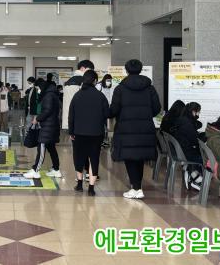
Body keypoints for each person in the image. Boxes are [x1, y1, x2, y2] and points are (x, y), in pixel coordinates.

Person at [110, 59, 161, 199]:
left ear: (126, 70)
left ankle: (136, 188)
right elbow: (157, 108)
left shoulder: (120, 89)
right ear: (140, 69)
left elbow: (114, 110)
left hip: (126, 129)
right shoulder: (149, 88)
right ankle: (137, 187)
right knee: (139, 157)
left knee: (130, 157)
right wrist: (146, 115)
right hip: (145, 128)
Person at [68, 70, 109, 195]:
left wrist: (71, 131)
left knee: (79, 157)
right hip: (96, 133)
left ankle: (79, 185)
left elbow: (71, 116)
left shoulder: (77, 96)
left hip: (79, 133)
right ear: (95, 81)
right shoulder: (100, 96)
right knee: (94, 158)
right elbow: (107, 114)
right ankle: (91, 188)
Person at [62, 60, 95, 180]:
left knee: (77, 151)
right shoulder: (82, 82)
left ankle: (79, 175)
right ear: (83, 68)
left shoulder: (68, 82)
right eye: (89, 70)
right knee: (88, 150)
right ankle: (87, 173)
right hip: (84, 121)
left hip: (70, 122)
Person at [24, 79, 62, 179]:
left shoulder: (48, 95)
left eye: (38, 88)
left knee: (41, 147)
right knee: (51, 148)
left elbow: (47, 111)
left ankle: (35, 170)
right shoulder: (52, 94)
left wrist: (37, 119)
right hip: (51, 125)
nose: (38, 90)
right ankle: (56, 170)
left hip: (48, 127)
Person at [171, 102, 203, 191]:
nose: (198, 114)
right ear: (193, 111)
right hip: (186, 154)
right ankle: (196, 178)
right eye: (198, 112)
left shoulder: (182, 120)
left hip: (181, 151)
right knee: (205, 159)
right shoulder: (187, 123)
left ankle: (192, 173)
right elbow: (194, 140)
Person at [96, 74, 114, 147]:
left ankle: (105, 140)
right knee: (101, 124)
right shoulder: (99, 86)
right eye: (108, 80)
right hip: (100, 108)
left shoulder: (110, 87)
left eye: (110, 80)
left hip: (107, 108)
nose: (109, 82)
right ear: (104, 80)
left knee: (107, 125)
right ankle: (101, 140)